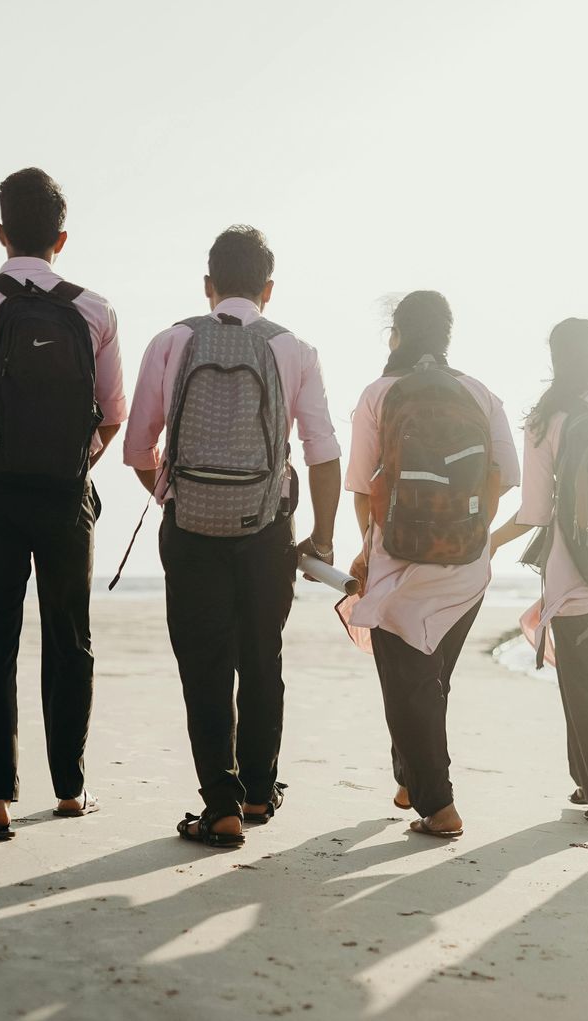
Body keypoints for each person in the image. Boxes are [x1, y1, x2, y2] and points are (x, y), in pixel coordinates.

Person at [124, 226, 341, 849]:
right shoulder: (294, 349)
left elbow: (140, 449)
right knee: (261, 657)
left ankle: (219, 806)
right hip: (267, 530)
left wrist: (176, 497)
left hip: (190, 528)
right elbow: (323, 453)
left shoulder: (172, 340)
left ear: (208, 285)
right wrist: (321, 539)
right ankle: (257, 792)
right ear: (268, 289)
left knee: (205, 668)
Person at [0, 168, 127, 839]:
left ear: (0, 232)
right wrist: (74, 463)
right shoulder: (94, 309)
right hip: (67, 490)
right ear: (61, 239)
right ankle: (70, 790)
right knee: (69, 635)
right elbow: (113, 415)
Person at [345, 291, 520, 838]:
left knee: (407, 686)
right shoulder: (481, 394)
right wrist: (469, 532)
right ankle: (411, 780)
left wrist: (369, 549)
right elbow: (505, 478)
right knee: (429, 682)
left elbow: (360, 487)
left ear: (396, 336)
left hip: (400, 561)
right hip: (467, 568)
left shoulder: (379, 394)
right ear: (446, 337)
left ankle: (439, 807)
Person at [489, 318, 588, 827]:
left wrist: (490, 541)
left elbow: (535, 511)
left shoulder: (546, 421)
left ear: (554, 362)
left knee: (581, 683)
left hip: (571, 569)